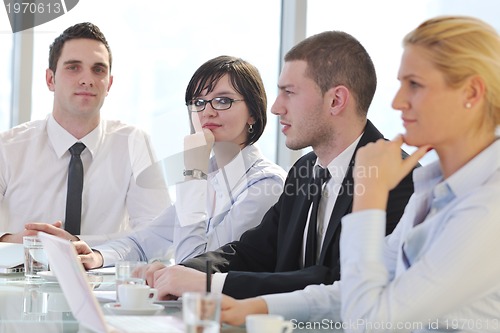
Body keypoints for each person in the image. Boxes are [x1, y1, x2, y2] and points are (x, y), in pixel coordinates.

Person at [221, 15, 500, 330]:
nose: (397, 102)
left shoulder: (489, 206)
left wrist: (368, 192)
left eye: (415, 85)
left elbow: (369, 322)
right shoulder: (434, 190)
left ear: (471, 93)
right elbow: (352, 291)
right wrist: (255, 307)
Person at [140, 30, 417, 301]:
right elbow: (255, 250)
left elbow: (341, 283)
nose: (275, 107)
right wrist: (184, 271)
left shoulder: (397, 177)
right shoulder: (305, 170)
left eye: (289, 93)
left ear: (336, 100)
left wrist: (212, 284)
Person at [74, 56, 286, 267]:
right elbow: (144, 242)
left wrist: (193, 173)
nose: (208, 112)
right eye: (199, 102)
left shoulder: (266, 184)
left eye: (223, 101)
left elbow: (194, 265)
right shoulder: (210, 174)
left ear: (253, 114)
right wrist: (98, 256)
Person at [0, 22, 169, 246]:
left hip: (104, 279)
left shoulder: (134, 144)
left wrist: (78, 243)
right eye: (73, 67)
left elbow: (160, 237)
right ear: (50, 79)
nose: (87, 79)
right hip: (23, 277)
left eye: (98, 69)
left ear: (108, 84)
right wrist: (22, 243)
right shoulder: (8, 147)